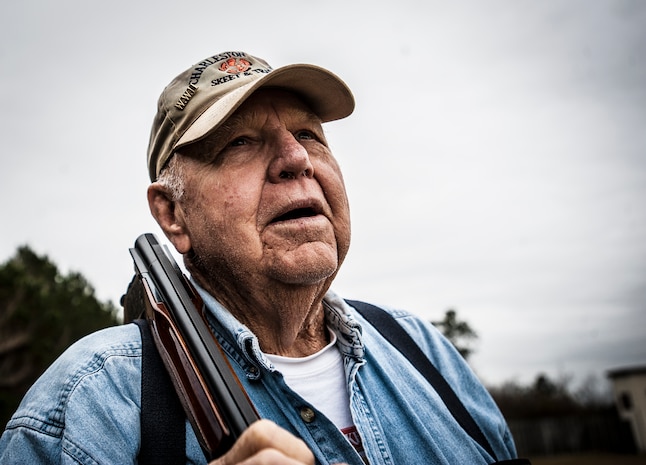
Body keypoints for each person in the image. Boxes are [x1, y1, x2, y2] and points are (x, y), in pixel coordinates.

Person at [0, 51, 519, 464]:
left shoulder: (424, 352)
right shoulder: (90, 404)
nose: (296, 159)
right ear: (172, 214)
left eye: (310, 135)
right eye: (241, 142)